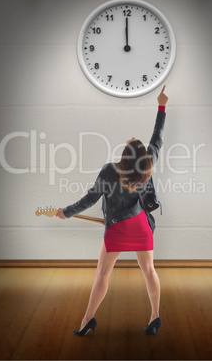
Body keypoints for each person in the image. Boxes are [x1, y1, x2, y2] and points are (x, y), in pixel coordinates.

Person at [56, 85, 168, 337]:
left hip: (117, 228)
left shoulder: (109, 170)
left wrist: (67, 211)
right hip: (141, 226)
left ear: (124, 154)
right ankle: (155, 316)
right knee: (149, 271)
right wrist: (161, 106)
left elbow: (89, 199)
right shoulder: (147, 165)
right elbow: (157, 138)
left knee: (103, 274)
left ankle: (87, 321)